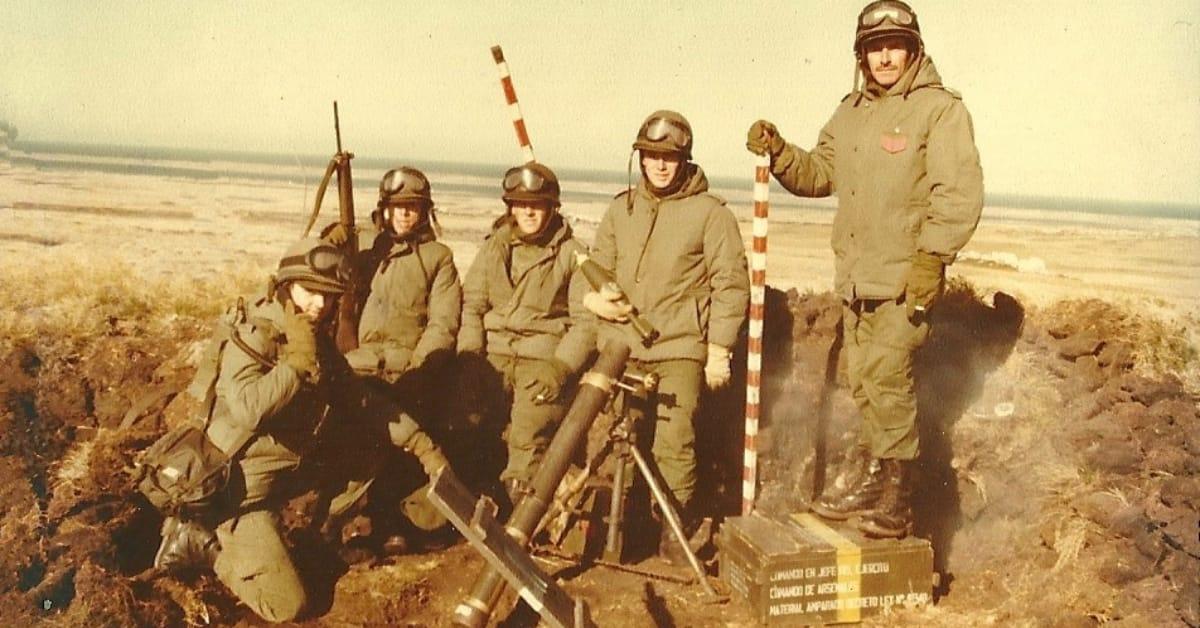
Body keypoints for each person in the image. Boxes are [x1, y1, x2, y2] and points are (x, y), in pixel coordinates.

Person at [746, 0, 983, 539]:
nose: (884, 57)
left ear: (913, 50)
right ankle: (873, 478)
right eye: (874, 48)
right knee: (867, 385)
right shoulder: (851, 111)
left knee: (889, 381)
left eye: (894, 46)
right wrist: (780, 152)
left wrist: (932, 259)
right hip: (857, 281)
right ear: (862, 55)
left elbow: (959, 191)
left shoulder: (938, 110)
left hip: (904, 281)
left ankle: (899, 497)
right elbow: (819, 173)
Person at [152, 238, 449, 622]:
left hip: (281, 472)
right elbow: (249, 409)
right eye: (310, 292)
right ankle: (199, 541)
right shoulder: (257, 333)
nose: (319, 305)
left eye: (327, 296)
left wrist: (422, 444)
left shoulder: (310, 337)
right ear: (286, 286)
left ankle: (317, 534)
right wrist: (294, 365)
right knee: (287, 603)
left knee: (367, 445)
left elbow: (360, 400)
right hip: (234, 491)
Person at [585, 110, 749, 564]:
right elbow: (599, 265)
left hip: (679, 348)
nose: (659, 165)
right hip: (624, 349)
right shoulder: (622, 208)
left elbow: (730, 285)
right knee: (627, 439)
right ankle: (627, 530)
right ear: (639, 159)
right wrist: (594, 301)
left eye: (669, 157)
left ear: (685, 160)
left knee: (674, 442)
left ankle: (678, 529)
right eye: (651, 155)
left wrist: (718, 350)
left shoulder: (710, 214)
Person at [318, 165, 462, 556]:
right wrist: (330, 239)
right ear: (384, 209)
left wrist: (420, 368)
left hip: (407, 366)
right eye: (397, 206)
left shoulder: (438, 258)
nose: (404, 214)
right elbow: (318, 274)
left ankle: (400, 521)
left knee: (407, 430)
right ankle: (352, 520)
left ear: (424, 211)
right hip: (357, 363)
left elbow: (443, 323)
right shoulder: (363, 245)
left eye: (413, 207)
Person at [458, 162, 595, 503]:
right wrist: (470, 356)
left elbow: (586, 321)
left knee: (528, 430)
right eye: (520, 204)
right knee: (461, 420)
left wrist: (561, 368)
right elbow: (472, 304)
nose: (528, 212)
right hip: (493, 354)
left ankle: (519, 517)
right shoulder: (495, 247)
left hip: (542, 360)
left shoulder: (573, 254)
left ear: (552, 207)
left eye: (536, 205)